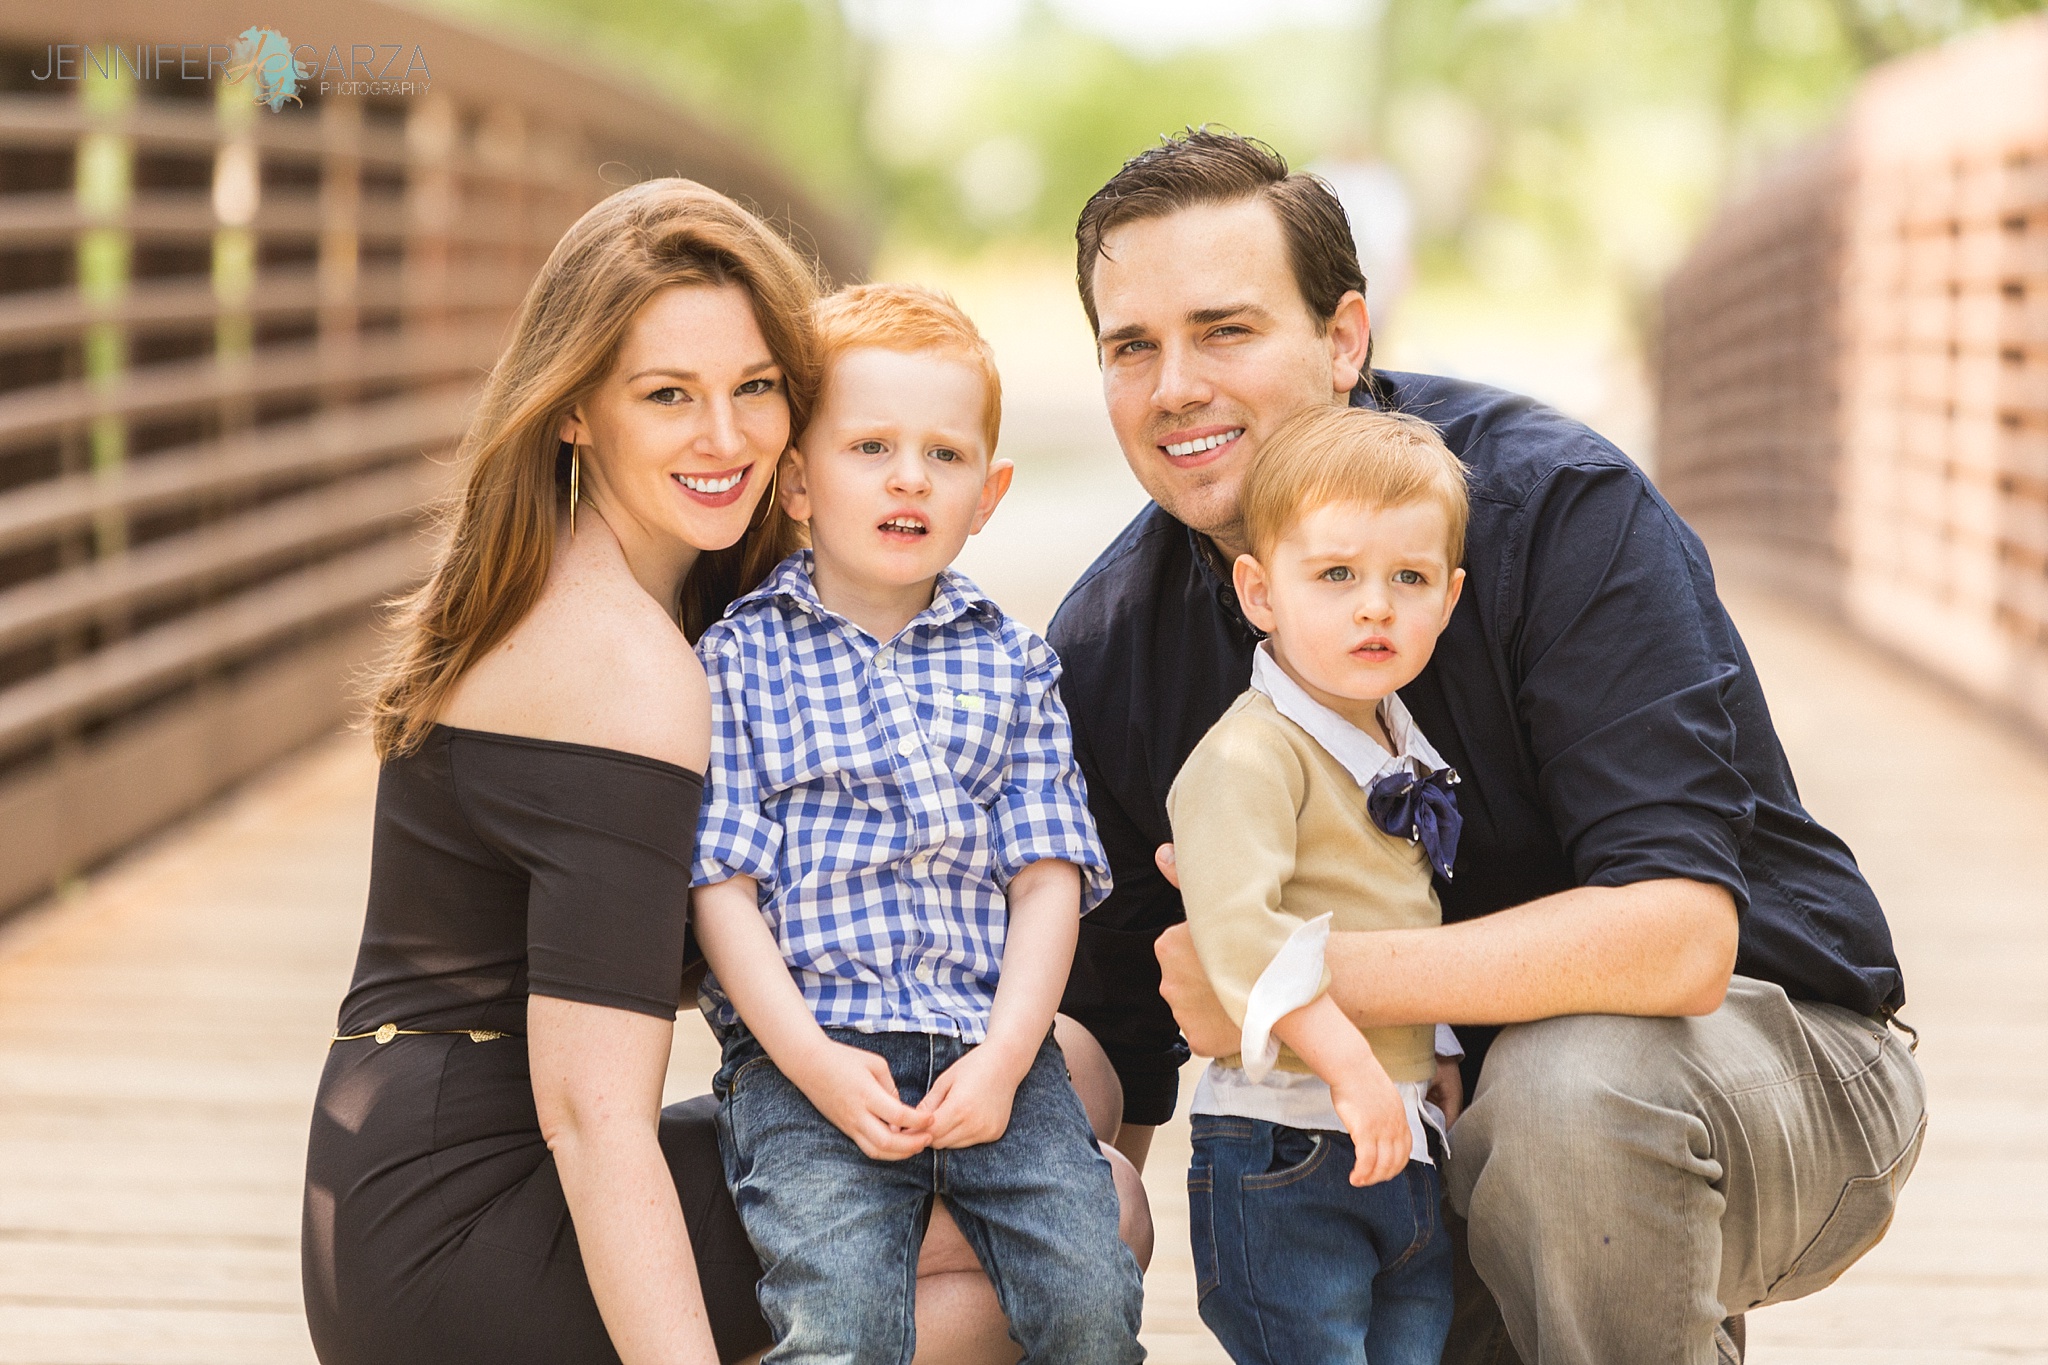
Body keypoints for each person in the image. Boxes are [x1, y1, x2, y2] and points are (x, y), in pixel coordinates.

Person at [1049, 128, 1926, 1365]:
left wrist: (1287, 971)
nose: (1174, 385)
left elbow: (1677, 939)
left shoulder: (1554, 511)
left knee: (1572, 1102)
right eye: (1130, 347)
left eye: (1225, 329)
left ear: (1344, 338)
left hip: (1764, 1066)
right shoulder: (1107, 646)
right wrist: (1008, 1191)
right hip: (1396, 1152)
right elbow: (1114, 1035)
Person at [689, 283, 1148, 1365]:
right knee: (839, 1316)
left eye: (943, 456)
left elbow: (1045, 878)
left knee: (1088, 1291)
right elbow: (722, 889)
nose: (908, 476)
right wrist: (803, 1057)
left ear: (986, 495)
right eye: (870, 447)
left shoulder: (1013, 663)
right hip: (810, 1063)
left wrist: (1004, 1056)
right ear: (796, 481)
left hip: (990, 1048)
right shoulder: (740, 661)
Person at [1169, 404, 1472, 1365]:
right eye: (1336, 574)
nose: (1374, 604)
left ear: (1450, 598)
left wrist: (1440, 1051)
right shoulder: (1251, 756)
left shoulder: (1395, 746)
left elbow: (1400, 918)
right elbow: (1243, 936)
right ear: (1259, 591)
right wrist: (1352, 1068)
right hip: (1288, 1142)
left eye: (1408, 578)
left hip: (1396, 1131)